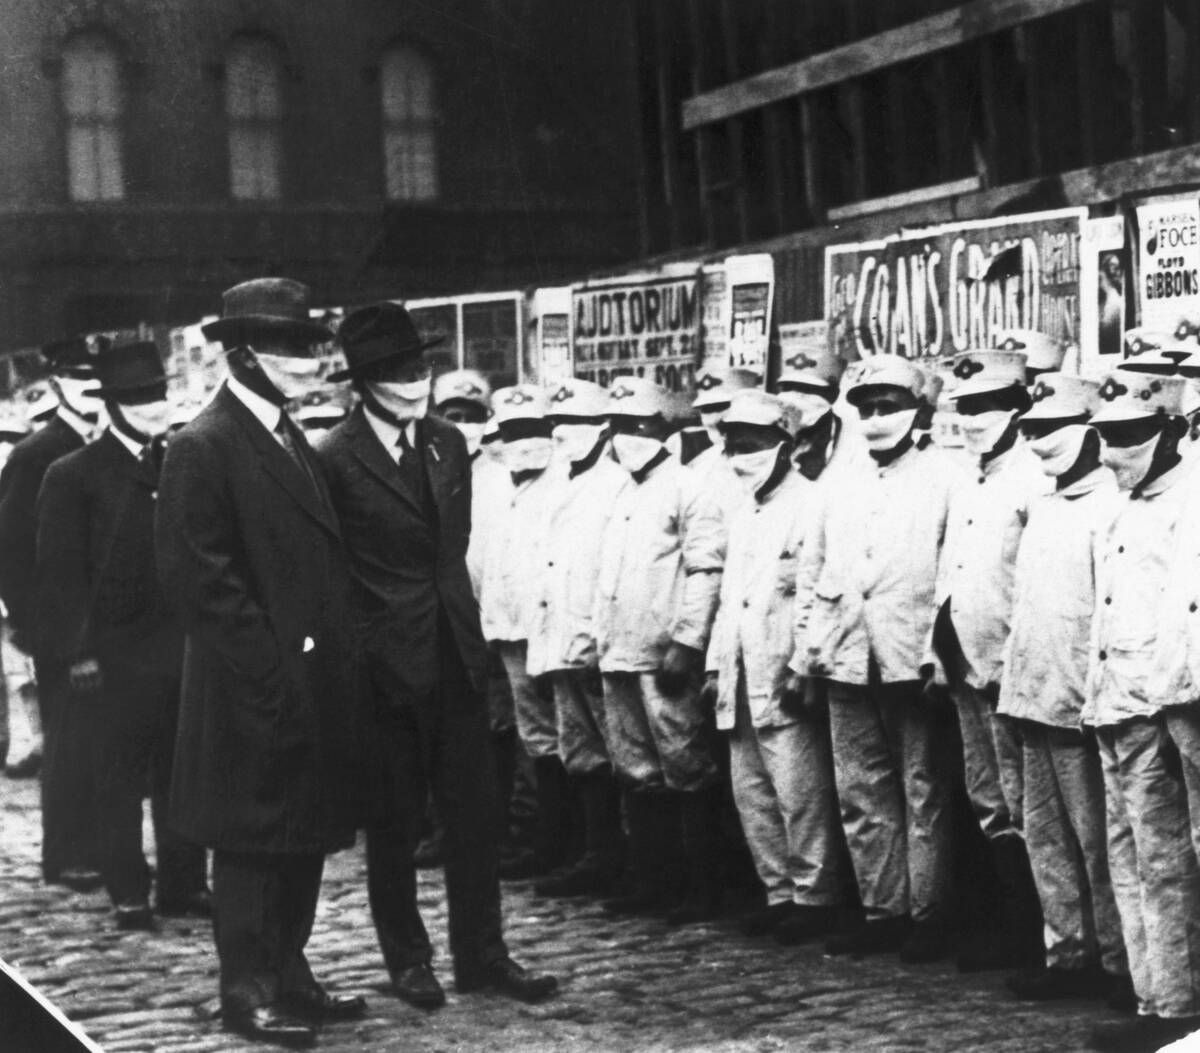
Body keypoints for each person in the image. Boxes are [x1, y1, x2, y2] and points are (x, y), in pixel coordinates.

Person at [317, 303, 557, 1012]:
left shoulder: (449, 443)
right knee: (394, 821)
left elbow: (452, 552)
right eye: (396, 371)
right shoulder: (334, 457)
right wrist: (362, 655)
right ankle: (408, 958)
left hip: (456, 653)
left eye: (419, 366)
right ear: (364, 383)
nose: (414, 381)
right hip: (384, 665)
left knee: (474, 815)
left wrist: (470, 642)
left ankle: (483, 953)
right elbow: (333, 572)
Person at [157, 278, 367, 1048]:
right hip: (250, 686)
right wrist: (272, 672)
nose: (313, 363)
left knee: (302, 835)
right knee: (250, 844)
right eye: (293, 350)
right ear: (243, 356)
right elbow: (200, 582)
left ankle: (290, 970)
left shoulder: (287, 437)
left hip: (304, 682)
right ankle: (247, 989)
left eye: (313, 347)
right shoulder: (204, 444)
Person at [35, 339, 209, 931]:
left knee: (181, 775)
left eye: (157, 392)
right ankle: (129, 889)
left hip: (180, 650)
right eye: (136, 396)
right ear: (110, 404)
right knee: (117, 779)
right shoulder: (73, 475)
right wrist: (77, 652)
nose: (152, 405)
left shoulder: (179, 462)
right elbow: (59, 575)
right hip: (112, 659)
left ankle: (184, 885)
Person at [794, 355, 961, 963]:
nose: (876, 416)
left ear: (918, 409)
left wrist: (934, 657)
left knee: (923, 789)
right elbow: (812, 571)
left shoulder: (946, 476)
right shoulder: (838, 481)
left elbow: (950, 575)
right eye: (866, 406)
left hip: (909, 656)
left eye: (889, 405)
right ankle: (881, 908)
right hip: (845, 653)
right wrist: (807, 657)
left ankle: (930, 913)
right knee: (860, 791)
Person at [996, 373, 1130, 1005]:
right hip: (1030, 698)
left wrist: (1093, 701)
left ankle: (1114, 961)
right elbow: (1024, 610)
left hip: (1080, 704)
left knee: (1099, 844)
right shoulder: (1042, 508)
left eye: (1055, 429)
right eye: (1034, 430)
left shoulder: (1111, 507)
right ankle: (1066, 953)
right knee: (1046, 840)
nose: (1042, 441)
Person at [1083, 370, 1200, 1053]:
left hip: (1163, 703)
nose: (1114, 451)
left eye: (1130, 436)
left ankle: (1179, 1004)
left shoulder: (1189, 502)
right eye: (1108, 435)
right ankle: (1152, 995)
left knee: (1167, 860)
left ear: (1173, 432)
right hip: (1115, 700)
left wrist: (1165, 697)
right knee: (1130, 854)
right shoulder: (1122, 505)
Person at [702, 390, 845, 940]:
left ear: (787, 444)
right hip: (740, 669)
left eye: (755, 443)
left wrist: (803, 665)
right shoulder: (743, 511)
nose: (742, 454)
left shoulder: (811, 503)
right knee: (753, 792)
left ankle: (815, 895)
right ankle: (777, 889)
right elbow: (727, 597)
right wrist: (716, 667)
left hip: (784, 667)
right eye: (734, 444)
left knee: (800, 792)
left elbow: (817, 593)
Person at [931, 349, 1048, 972]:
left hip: (1010, 668)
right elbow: (951, 574)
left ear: (1019, 408)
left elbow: (1031, 586)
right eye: (965, 407)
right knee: (989, 803)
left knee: (1029, 810)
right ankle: (1009, 929)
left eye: (987, 406)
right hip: (964, 667)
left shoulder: (1034, 477)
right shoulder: (969, 475)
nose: (974, 418)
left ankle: (1038, 939)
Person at [595, 376, 725, 925]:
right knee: (636, 772)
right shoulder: (622, 489)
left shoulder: (690, 487)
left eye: (640, 427)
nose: (630, 437)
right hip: (619, 650)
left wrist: (687, 643)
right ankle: (652, 879)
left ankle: (702, 887)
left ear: (665, 430)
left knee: (686, 769)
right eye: (620, 427)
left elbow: (705, 568)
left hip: (664, 655)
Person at [0, 335, 105, 890]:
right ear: (58, 384)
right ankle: (66, 854)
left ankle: (103, 847)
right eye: (81, 381)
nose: (93, 393)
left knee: (103, 741)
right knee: (68, 743)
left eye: (99, 383)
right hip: (59, 627)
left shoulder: (106, 445)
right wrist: (34, 625)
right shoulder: (38, 452)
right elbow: (11, 548)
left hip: (106, 625)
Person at [525, 377, 629, 898]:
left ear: (604, 430)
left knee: (621, 752)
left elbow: (609, 572)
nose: (566, 435)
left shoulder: (616, 484)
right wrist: (544, 654)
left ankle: (624, 858)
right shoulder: (554, 483)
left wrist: (594, 641)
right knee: (580, 752)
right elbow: (544, 571)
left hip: (599, 640)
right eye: (557, 425)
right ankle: (593, 851)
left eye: (580, 425)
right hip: (559, 638)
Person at [431, 368, 535, 874]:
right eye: (452, 415)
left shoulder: (499, 477)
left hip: (489, 620)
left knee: (502, 728)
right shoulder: (426, 467)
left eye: (472, 416)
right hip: (438, 620)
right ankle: (449, 827)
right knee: (443, 729)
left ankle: (504, 830)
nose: (462, 425)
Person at [478, 384, 571, 878]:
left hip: (552, 632)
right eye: (513, 431)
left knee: (570, 738)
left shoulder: (564, 483)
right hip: (509, 631)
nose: (524, 441)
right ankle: (540, 838)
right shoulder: (496, 484)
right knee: (533, 738)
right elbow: (490, 563)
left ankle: (562, 841)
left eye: (534, 430)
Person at [773, 343, 855, 478]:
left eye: (807, 390)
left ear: (832, 395)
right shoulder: (770, 433)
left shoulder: (848, 437)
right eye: (787, 388)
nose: (794, 398)